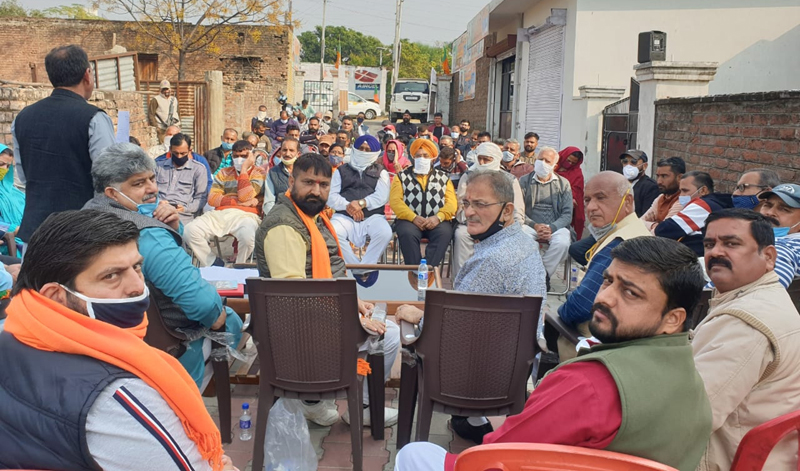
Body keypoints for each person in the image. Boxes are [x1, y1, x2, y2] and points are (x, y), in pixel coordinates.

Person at [396, 236, 713, 471]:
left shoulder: (588, 383)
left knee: (413, 454)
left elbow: (496, 456)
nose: (604, 298)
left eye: (630, 293)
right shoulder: (688, 370)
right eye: (608, 281)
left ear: (673, 318)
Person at [0, 210, 242, 471]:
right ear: (56, 296)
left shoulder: (13, 332)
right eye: (111, 276)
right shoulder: (117, 397)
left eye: (137, 267)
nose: (137, 285)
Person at [395, 170, 546, 443]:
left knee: (400, 335)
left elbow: (454, 325)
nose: (469, 212)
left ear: (507, 210)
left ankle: (413, 440)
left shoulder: (492, 260)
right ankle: (479, 421)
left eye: (480, 204)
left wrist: (417, 316)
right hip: (515, 370)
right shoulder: (525, 241)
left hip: (475, 376)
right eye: (466, 204)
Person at [253, 153, 400, 428]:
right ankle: (363, 408)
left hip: (315, 316)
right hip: (297, 335)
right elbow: (294, 298)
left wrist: (354, 301)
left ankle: (312, 401)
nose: (316, 191)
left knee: (377, 318)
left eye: (323, 184)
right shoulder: (285, 226)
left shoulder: (310, 215)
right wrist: (351, 320)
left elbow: (327, 268)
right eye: (308, 182)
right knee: (390, 334)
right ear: (291, 180)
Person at [82, 143, 243, 388]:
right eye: (138, 184)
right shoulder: (148, 234)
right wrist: (219, 317)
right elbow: (200, 303)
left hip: (107, 342)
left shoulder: (86, 214)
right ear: (112, 193)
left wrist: (172, 226)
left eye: (152, 179)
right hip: (167, 346)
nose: (152, 189)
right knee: (229, 318)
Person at [693, 209, 800, 471]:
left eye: (732, 243)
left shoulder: (744, 322)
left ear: (768, 256)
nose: (715, 252)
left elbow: (689, 417)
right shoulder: (761, 298)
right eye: (709, 244)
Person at [12, 44, 115, 242]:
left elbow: (23, 178)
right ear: (87, 74)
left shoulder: (22, 118)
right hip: (82, 234)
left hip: (36, 232)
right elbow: (110, 181)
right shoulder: (94, 118)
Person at [554, 172, 651, 361]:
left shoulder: (621, 244)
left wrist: (558, 314)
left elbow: (582, 304)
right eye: (587, 200)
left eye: (601, 198)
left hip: (596, 348)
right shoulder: (633, 232)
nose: (591, 207)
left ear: (628, 202)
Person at [184, 140, 266, 266]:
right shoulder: (223, 172)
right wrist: (238, 202)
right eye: (236, 156)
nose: (239, 160)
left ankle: (240, 265)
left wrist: (244, 169)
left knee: (248, 236)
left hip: (246, 216)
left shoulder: (259, 173)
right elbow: (212, 198)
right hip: (221, 213)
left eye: (244, 156)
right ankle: (213, 263)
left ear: (250, 156)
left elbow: (245, 196)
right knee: (190, 231)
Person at [453, 142, 526, 278]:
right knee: (461, 235)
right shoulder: (468, 176)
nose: (482, 162)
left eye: (487, 159)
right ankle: (461, 283)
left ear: (497, 159)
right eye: (480, 158)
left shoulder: (510, 180)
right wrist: (478, 227)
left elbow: (517, 211)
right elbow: (461, 209)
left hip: (501, 226)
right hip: (472, 224)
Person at [390, 138, 456, 271]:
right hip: (410, 221)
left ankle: (429, 271)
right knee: (407, 233)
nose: (422, 158)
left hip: (437, 220)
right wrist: (413, 217)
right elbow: (396, 202)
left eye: (425, 156)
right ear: (413, 157)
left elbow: (452, 203)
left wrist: (438, 217)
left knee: (444, 233)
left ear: (433, 157)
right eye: (418, 156)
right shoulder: (402, 176)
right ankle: (415, 271)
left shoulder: (443, 177)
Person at [327, 135, 392, 271]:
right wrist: (348, 206)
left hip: (372, 216)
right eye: (361, 148)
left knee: (385, 232)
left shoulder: (381, 171)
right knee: (332, 232)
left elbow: (382, 196)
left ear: (374, 153)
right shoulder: (341, 171)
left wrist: (362, 203)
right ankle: (354, 266)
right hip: (344, 216)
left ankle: (366, 265)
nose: (363, 152)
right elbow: (331, 197)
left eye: (368, 150)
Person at [519, 147, 573, 278]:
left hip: (555, 227)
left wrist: (551, 227)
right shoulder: (524, 181)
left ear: (554, 165)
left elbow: (567, 215)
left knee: (563, 243)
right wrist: (534, 225)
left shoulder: (563, 184)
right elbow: (518, 211)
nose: (542, 163)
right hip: (530, 225)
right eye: (540, 159)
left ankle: (542, 276)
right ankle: (531, 273)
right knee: (522, 239)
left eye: (547, 161)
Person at [655, 171, 732, 256]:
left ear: (703, 190)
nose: (681, 195)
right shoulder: (715, 204)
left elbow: (663, 230)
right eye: (680, 191)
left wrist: (651, 225)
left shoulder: (702, 206)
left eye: (685, 191)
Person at [155, 133, 210, 225]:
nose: (179, 157)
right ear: (170, 150)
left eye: (183, 153)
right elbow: (148, 192)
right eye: (176, 153)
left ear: (190, 151)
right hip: (158, 211)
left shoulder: (198, 169)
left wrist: (185, 209)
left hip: (183, 215)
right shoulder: (158, 166)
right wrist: (158, 203)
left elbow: (201, 198)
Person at [758, 183, 800, 288]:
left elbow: (766, 294)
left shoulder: (781, 248)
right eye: (768, 205)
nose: (770, 212)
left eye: (784, 209)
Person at [641, 157, 685, 232]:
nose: (659, 181)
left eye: (664, 176)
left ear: (679, 177)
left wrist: (651, 225)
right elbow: (639, 223)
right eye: (658, 176)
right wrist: (654, 225)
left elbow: (663, 231)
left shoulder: (683, 200)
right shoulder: (661, 197)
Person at [263, 137, 301, 215]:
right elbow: (269, 202)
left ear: (298, 153)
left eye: (291, 150)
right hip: (279, 214)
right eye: (284, 150)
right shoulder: (273, 172)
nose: (287, 154)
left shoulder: (305, 172)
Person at [0, 144, 25, 256]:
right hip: (7, 245)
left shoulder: (14, 191)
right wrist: (14, 229)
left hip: (28, 238)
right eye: (1, 164)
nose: (5, 169)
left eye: (8, 166)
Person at [618, 149, 659, 218]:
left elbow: (646, 216)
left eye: (634, 162)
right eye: (625, 161)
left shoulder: (650, 186)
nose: (628, 165)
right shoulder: (619, 183)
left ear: (644, 166)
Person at [557, 146, 585, 240]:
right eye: (568, 161)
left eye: (573, 163)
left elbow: (577, 189)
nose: (570, 164)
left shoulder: (577, 172)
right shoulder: (553, 165)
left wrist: (570, 198)